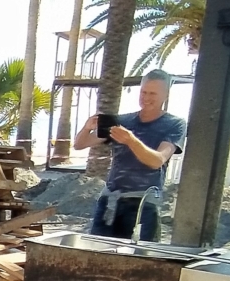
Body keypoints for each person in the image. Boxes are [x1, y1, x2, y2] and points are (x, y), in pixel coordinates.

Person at [73, 69, 186, 242]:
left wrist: (131, 141)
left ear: (166, 95)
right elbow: (80, 144)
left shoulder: (175, 124)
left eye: (153, 93)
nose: (146, 98)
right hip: (110, 201)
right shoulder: (122, 121)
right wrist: (88, 127)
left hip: (143, 205)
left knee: (138, 260)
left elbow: (157, 161)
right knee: (97, 255)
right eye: (143, 92)